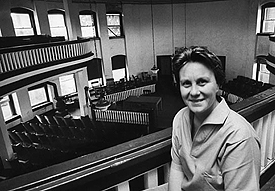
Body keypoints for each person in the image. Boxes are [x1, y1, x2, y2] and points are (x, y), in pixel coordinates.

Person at [168, 46, 261, 191]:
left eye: (202, 82)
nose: (194, 92)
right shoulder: (180, 118)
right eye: (186, 83)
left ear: (218, 84)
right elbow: (177, 168)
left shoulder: (239, 136)